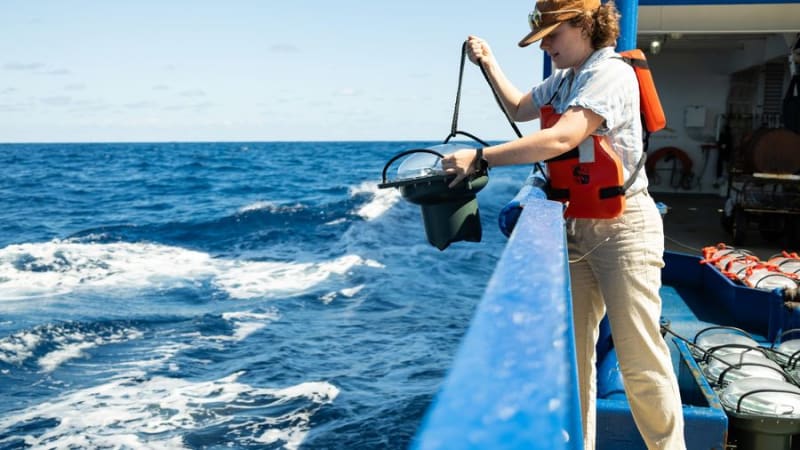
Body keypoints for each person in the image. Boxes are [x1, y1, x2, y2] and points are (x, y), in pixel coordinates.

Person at [440, 0, 686, 449]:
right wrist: (489, 62)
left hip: (624, 230)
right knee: (573, 362)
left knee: (640, 361)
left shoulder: (610, 74)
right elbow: (519, 107)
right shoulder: (566, 78)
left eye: (553, 35)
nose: (546, 45)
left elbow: (563, 136)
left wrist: (480, 157)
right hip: (575, 227)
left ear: (585, 25)